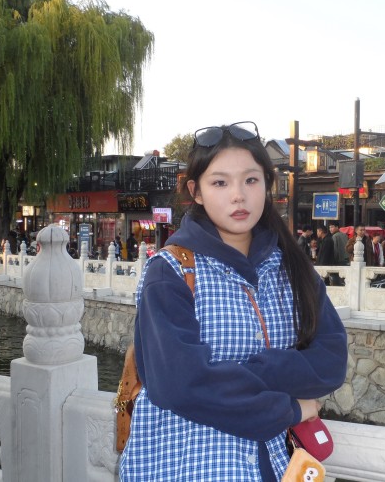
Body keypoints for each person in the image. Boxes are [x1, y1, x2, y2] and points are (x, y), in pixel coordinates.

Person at [120, 121, 348, 481]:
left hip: (275, 467)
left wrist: (250, 371)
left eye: (251, 180)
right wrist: (288, 408)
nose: (238, 196)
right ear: (196, 191)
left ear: (267, 184)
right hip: (188, 466)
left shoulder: (291, 267)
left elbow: (331, 360)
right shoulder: (171, 271)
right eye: (220, 183)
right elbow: (180, 385)